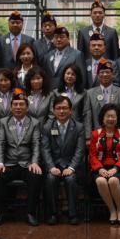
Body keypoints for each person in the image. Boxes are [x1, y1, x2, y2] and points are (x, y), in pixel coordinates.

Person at [0, 88, 43, 226]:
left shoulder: (34, 123)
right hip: (9, 163)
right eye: (15, 104)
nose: (18, 107)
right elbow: (0, 143)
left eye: (21, 104)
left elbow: (36, 144)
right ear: (11, 106)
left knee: (36, 176)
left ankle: (30, 213)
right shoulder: (3, 122)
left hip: (27, 164)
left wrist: (35, 162)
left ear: (27, 107)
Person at [41, 96, 85, 225]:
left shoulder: (79, 127)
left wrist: (71, 168)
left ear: (70, 110)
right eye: (58, 108)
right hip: (54, 165)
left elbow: (80, 151)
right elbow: (45, 150)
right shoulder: (47, 127)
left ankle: (73, 214)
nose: (61, 111)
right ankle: (53, 214)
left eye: (65, 108)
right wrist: (51, 167)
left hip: (71, 165)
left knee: (71, 179)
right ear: (54, 110)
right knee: (50, 178)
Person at [89, 103, 120, 224]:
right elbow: (92, 155)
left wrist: (116, 168)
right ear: (103, 118)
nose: (110, 119)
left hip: (119, 168)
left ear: (117, 119)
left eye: (113, 116)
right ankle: (112, 210)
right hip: (100, 168)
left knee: (113, 180)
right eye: (108, 116)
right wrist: (99, 169)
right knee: (100, 181)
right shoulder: (95, 134)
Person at [84, 58, 120, 142]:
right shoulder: (90, 93)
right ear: (98, 75)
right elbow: (88, 117)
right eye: (102, 72)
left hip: (117, 137)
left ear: (113, 75)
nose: (105, 75)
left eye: (108, 72)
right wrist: (88, 137)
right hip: (96, 136)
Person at [44, 26, 85, 91]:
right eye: (56, 37)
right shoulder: (48, 56)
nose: (58, 40)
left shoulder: (77, 55)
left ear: (68, 39)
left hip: (69, 92)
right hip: (50, 92)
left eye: (62, 37)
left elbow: (82, 77)